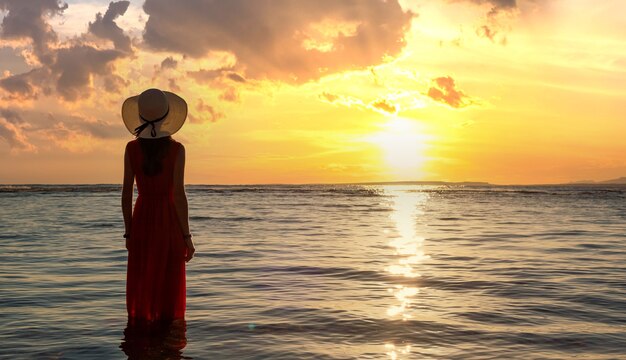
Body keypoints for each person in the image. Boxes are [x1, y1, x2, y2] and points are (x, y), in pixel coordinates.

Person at [121, 88, 195, 326]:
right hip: (169, 222)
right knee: (168, 284)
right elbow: (179, 195)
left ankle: (140, 341)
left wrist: (129, 231)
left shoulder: (132, 149)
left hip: (141, 220)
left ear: (141, 117)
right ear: (166, 116)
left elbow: (125, 194)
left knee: (143, 282)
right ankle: (168, 344)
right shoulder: (176, 150)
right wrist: (187, 236)